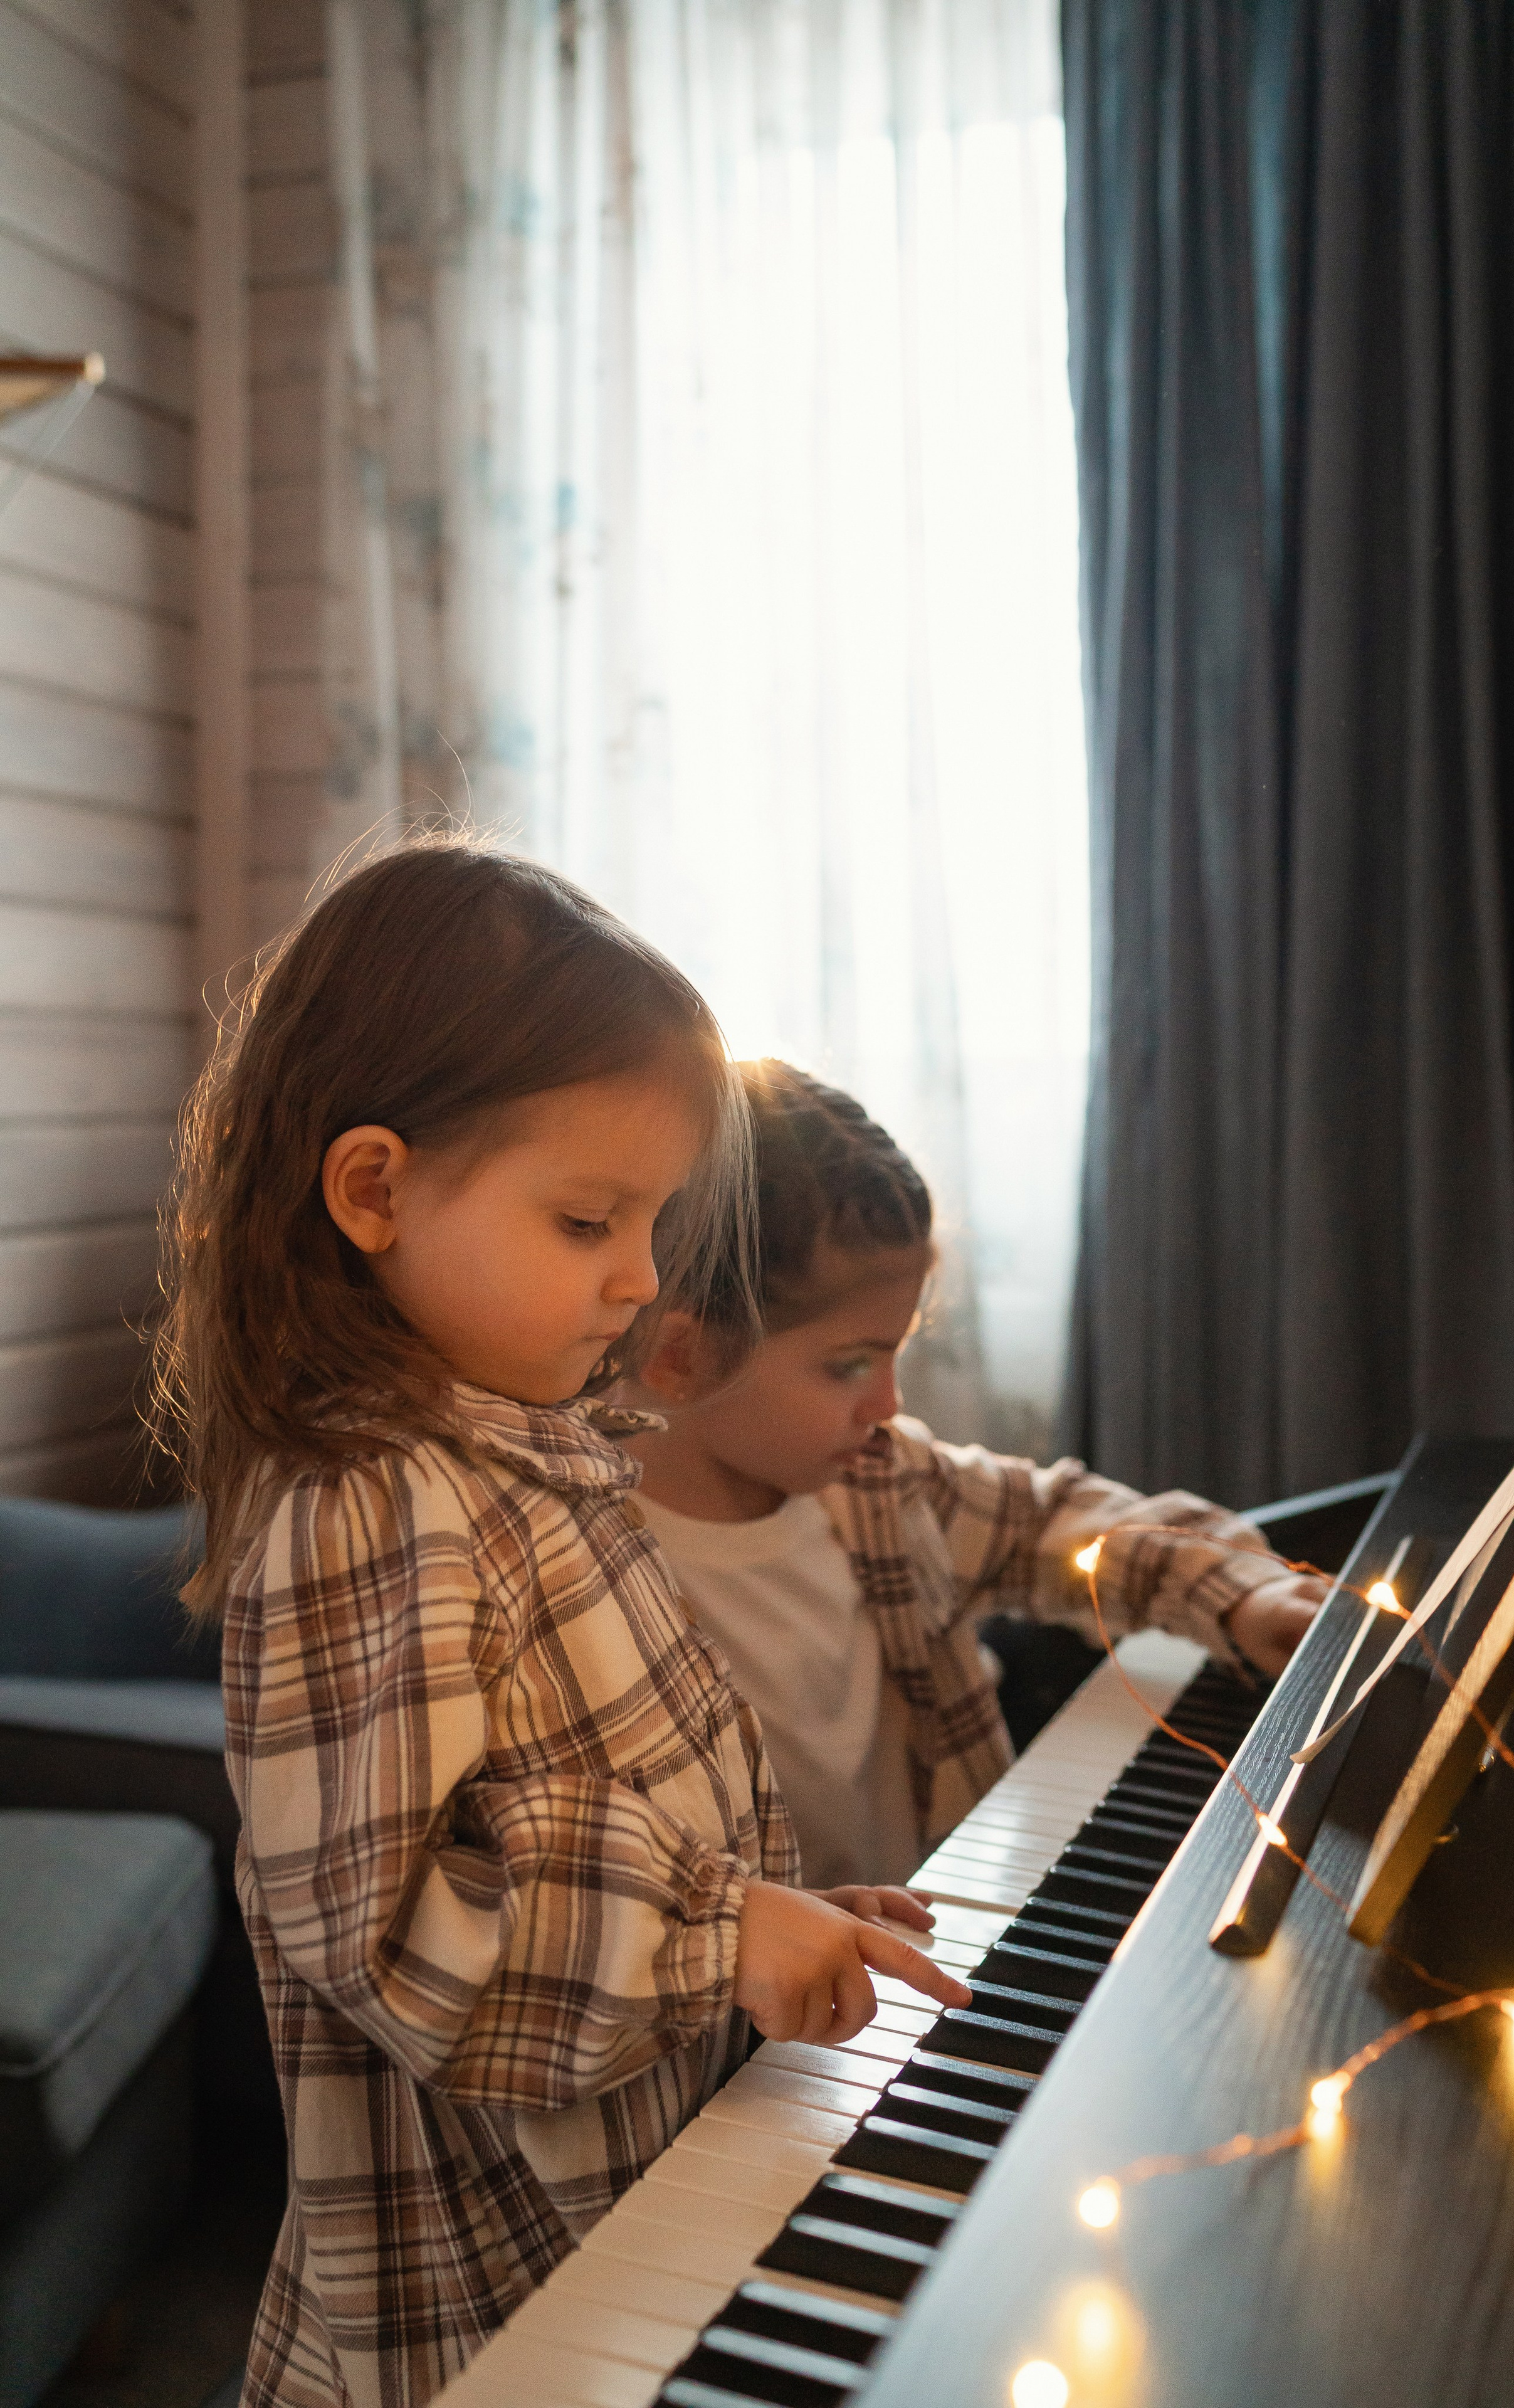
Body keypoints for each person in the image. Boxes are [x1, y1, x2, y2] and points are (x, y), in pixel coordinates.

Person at [150, 848, 966, 2408]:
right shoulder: (367, 1506)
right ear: (373, 1190)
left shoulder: (526, 1451)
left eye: (652, 1220)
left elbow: (583, 1803)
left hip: (631, 2185)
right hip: (493, 2298)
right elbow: (393, 1926)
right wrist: (712, 1935)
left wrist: (755, 1914)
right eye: (588, 1218)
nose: (640, 1278)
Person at [624, 1060, 1327, 1891]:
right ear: (684, 1355)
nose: (887, 1402)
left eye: (898, 1352)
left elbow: (1053, 1520)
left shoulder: (880, 1484)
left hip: (943, 1940)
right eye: (849, 1365)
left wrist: (1241, 1595)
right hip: (761, 2015)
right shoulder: (589, 1569)